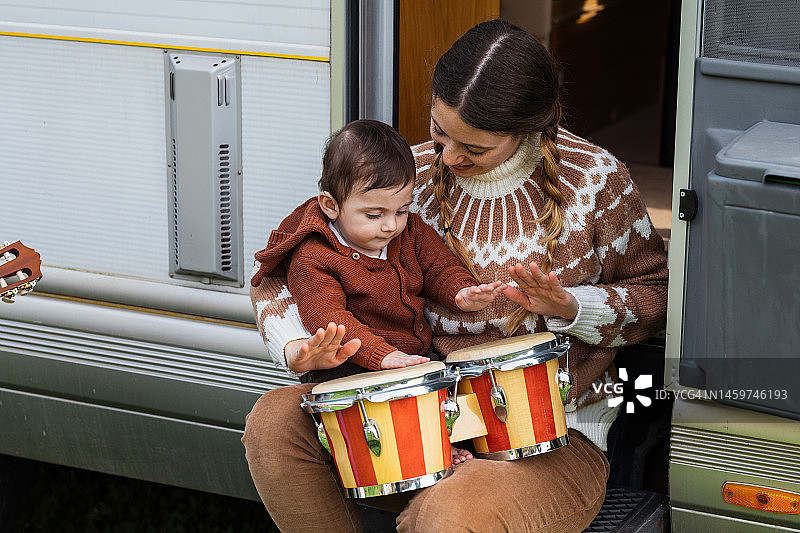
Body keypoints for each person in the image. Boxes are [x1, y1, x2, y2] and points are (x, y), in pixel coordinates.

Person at [243, 19, 669, 533]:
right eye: (439, 133)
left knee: (452, 513)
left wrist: (570, 307)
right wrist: (297, 346)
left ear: (531, 128)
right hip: (411, 420)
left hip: (549, 437)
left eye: (474, 148)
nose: (446, 158)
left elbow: (656, 296)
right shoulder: (404, 174)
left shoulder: (596, 180)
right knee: (273, 422)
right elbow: (286, 264)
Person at [251, 118, 503, 390]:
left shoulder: (409, 232)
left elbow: (439, 266)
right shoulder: (314, 256)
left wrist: (461, 291)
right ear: (331, 206)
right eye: (373, 215)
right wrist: (382, 355)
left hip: (413, 357)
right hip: (347, 368)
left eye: (401, 211)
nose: (391, 225)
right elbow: (329, 318)